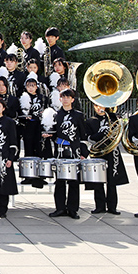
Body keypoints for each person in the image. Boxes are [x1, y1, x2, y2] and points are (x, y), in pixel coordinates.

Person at [44, 89, 87, 219]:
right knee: (60, 181)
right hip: (60, 151)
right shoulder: (56, 115)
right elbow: (54, 133)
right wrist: (49, 135)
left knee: (74, 181)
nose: (66, 99)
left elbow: (83, 135)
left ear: (73, 99)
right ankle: (60, 208)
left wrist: (84, 152)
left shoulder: (78, 115)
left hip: (74, 151)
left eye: (69, 97)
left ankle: (73, 209)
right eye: (63, 97)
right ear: (60, 99)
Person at [85, 105, 129, 215]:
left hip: (112, 151)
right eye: (95, 105)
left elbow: (120, 134)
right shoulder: (91, 121)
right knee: (98, 180)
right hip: (98, 152)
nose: (98, 107)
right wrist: (102, 133)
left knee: (112, 180)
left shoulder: (114, 119)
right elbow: (89, 137)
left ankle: (112, 206)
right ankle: (99, 206)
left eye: (101, 105)